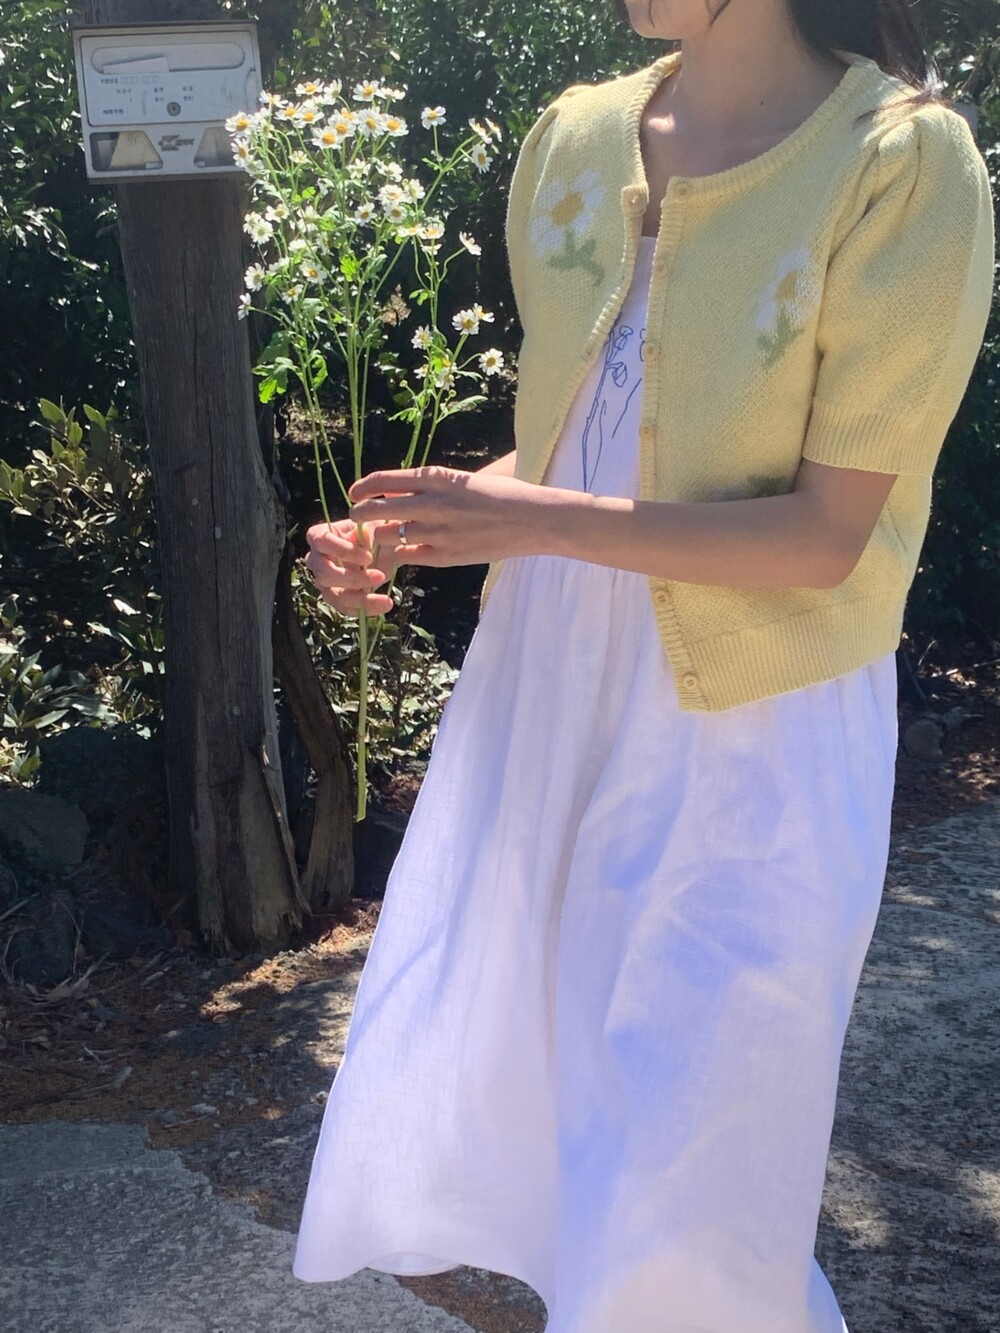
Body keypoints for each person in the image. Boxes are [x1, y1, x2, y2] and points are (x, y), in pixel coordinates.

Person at [292, 2, 994, 1329]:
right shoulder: (577, 139)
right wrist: (429, 521)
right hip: (553, 696)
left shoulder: (901, 162)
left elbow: (824, 537)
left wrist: (529, 519)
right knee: (571, 1119)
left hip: (759, 728)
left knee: (701, 1170)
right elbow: (590, 439)